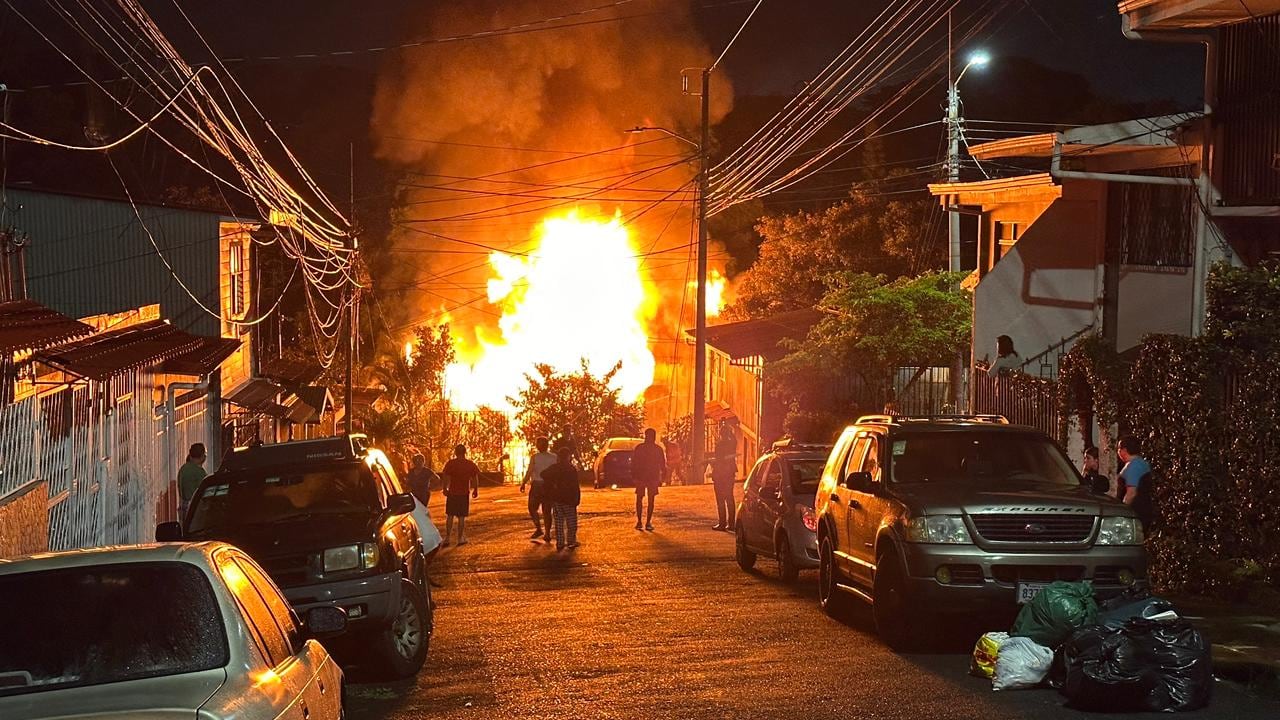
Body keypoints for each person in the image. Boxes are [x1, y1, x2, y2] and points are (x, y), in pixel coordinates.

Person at [541, 446, 581, 550]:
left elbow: (543, 474)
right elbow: (575, 486)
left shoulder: (555, 467)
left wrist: (553, 483)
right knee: (571, 522)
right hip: (569, 499)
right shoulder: (571, 469)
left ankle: (560, 543)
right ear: (568, 456)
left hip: (557, 499)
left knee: (559, 522)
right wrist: (577, 499)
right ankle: (571, 541)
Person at [441, 444, 480, 547]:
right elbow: (475, 477)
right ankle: (460, 538)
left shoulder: (451, 463)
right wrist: (475, 489)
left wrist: (445, 488)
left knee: (450, 515)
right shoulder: (469, 464)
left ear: (455, 452)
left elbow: (445, 475)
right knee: (461, 517)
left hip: (452, 492)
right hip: (463, 493)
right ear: (465, 452)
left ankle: (447, 537)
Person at [520, 437, 557, 541]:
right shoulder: (554, 457)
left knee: (532, 508)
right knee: (547, 510)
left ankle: (539, 528)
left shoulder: (535, 457)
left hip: (537, 485)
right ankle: (547, 534)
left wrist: (523, 482)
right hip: (549, 485)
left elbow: (530, 471)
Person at [1116, 436, 1155, 530]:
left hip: (1135, 510)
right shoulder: (1141, 463)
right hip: (1144, 508)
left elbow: (1131, 492)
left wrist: (1122, 511)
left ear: (1124, 450)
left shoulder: (1133, 466)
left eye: (1118, 449)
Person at [631, 428, 666, 531]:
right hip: (652, 477)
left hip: (642, 477)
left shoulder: (640, 448)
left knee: (640, 498)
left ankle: (640, 522)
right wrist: (662, 478)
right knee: (651, 500)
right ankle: (647, 522)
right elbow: (663, 465)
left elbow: (634, 464)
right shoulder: (657, 449)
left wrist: (634, 477)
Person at [711, 421, 738, 531]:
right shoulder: (732, 444)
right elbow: (735, 440)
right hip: (730, 473)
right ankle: (731, 523)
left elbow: (718, 460)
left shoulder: (720, 445)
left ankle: (722, 523)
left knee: (720, 499)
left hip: (720, 474)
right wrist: (730, 431)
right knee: (730, 498)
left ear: (721, 434)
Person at [177, 443, 207, 523]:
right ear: (202, 456)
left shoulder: (183, 469)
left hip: (184, 508)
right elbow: (205, 492)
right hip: (196, 509)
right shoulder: (199, 472)